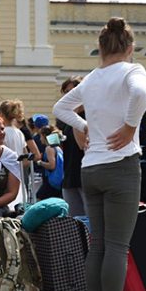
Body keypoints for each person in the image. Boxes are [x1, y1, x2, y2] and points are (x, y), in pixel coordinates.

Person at [54, 17, 146, 291]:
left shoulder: (93, 78)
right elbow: (141, 94)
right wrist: (130, 126)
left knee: (97, 244)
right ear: (130, 47)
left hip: (90, 167)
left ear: (100, 48)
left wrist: (82, 128)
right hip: (121, 165)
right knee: (117, 246)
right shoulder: (132, 70)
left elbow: (61, 107)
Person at [56, 78, 86, 215]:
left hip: (85, 176)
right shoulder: (66, 119)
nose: (68, 96)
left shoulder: (88, 115)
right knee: (74, 221)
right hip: (69, 175)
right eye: (65, 92)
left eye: (71, 91)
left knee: (90, 220)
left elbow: (82, 145)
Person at [0, 100, 29, 207]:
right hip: (18, 174)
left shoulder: (1, 133)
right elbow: (26, 157)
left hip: (5, 176)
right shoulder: (19, 132)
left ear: (1, 114)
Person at [28, 115, 64, 201]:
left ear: (44, 136)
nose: (40, 139)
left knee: (38, 199)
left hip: (51, 181)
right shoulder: (57, 147)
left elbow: (52, 165)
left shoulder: (49, 148)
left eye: (40, 136)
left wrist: (40, 162)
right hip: (59, 180)